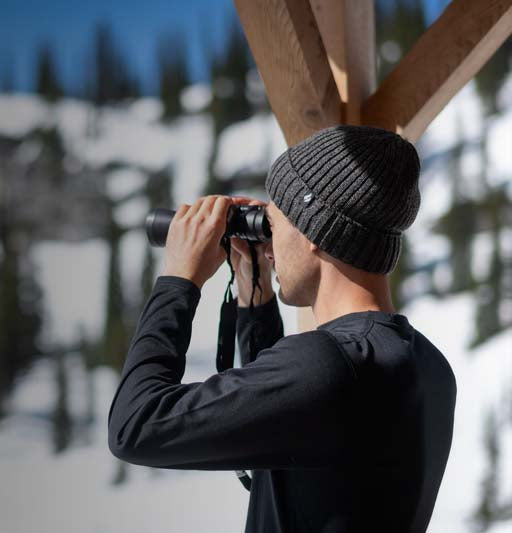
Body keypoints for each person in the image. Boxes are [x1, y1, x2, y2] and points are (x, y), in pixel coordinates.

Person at [107, 125, 457, 532]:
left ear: (314, 230)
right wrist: (253, 292)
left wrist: (178, 280)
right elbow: (290, 440)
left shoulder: (331, 366)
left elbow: (135, 427)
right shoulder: (428, 367)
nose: (269, 244)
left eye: (273, 223)